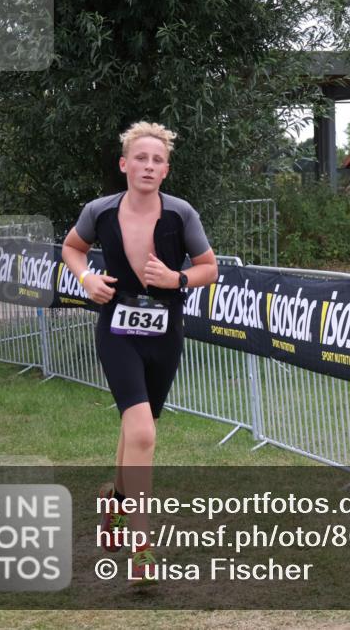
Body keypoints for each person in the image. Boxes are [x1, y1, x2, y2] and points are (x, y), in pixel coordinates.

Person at [61, 121, 218, 585]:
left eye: (157, 160)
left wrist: (179, 279)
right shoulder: (100, 210)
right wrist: (86, 279)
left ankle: (113, 500)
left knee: (137, 429)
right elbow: (73, 248)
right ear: (124, 164)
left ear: (166, 170)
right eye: (141, 158)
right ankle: (142, 543)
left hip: (165, 333)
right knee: (144, 433)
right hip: (117, 331)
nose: (148, 166)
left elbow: (209, 267)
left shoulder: (181, 214)